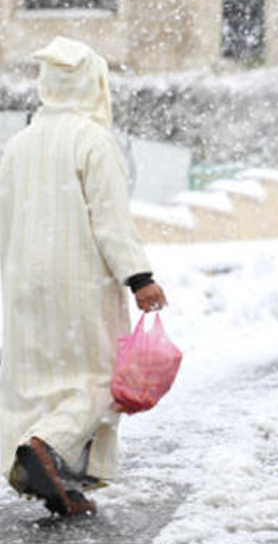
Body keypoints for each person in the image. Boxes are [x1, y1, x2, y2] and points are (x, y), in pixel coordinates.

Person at [0, 36, 167, 516]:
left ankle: (58, 480)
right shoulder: (92, 140)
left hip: (23, 285)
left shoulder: (18, 144)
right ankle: (44, 447)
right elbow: (111, 221)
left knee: (37, 383)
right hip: (79, 284)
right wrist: (139, 278)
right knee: (100, 380)